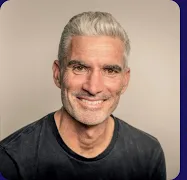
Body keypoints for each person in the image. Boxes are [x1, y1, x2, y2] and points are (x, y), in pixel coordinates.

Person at [0, 11, 166, 180]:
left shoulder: (149, 154)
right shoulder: (10, 159)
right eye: (79, 68)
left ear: (125, 80)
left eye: (110, 70)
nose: (93, 88)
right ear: (58, 74)